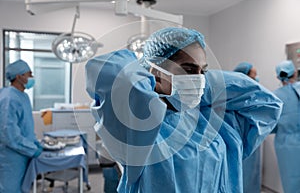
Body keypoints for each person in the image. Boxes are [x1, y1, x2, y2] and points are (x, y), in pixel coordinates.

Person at [85, 27, 282, 192]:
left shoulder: (209, 119)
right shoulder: (140, 126)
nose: (199, 78)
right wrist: (153, 82)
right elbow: (108, 71)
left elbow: (267, 104)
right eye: (188, 69)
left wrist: (204, 85)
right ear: (156, 71)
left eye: (203, 70)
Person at [0, 59, 43, 193]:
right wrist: (32, 149)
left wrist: (35, 143)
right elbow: (9, 135)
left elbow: (26, 126)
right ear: (19, 77)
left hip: (24, 152)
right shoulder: (9, 98)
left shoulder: (23, 96)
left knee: (23, 187)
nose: (31, 78)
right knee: (11, 189)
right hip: (12, 156)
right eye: (29, 74)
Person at [233, 62, 261, 193]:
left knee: (252, 173)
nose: (256, 78)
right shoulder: (235, 95)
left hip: (252, 137)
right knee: (242, 172)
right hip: (240, 138)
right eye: (254, 75)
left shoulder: (253, 93)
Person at [273, 60, 300, 193]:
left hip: (285, 145)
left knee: (290, 181)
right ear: (295, 72)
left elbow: (270, 125)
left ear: (278, 76)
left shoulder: (275, 97)